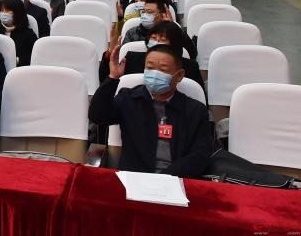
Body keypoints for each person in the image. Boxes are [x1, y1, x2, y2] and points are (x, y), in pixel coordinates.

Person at [90, 44, 213, 177]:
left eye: (163, 69)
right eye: (150, 67)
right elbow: (97, 116)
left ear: (179, 75)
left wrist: (166, 177)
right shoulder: (129, 99)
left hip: (177, 180)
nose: (155, 74)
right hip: (133, 179)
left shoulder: (195, 110)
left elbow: (200, 155)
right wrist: (113, 77)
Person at [0, 0, 37, 67]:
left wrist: (18, 60)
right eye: (2, 10)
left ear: (18, 13)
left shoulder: (28, 34)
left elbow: (35, 55)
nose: (4, 13)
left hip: (19, 69)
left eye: (8, 10)